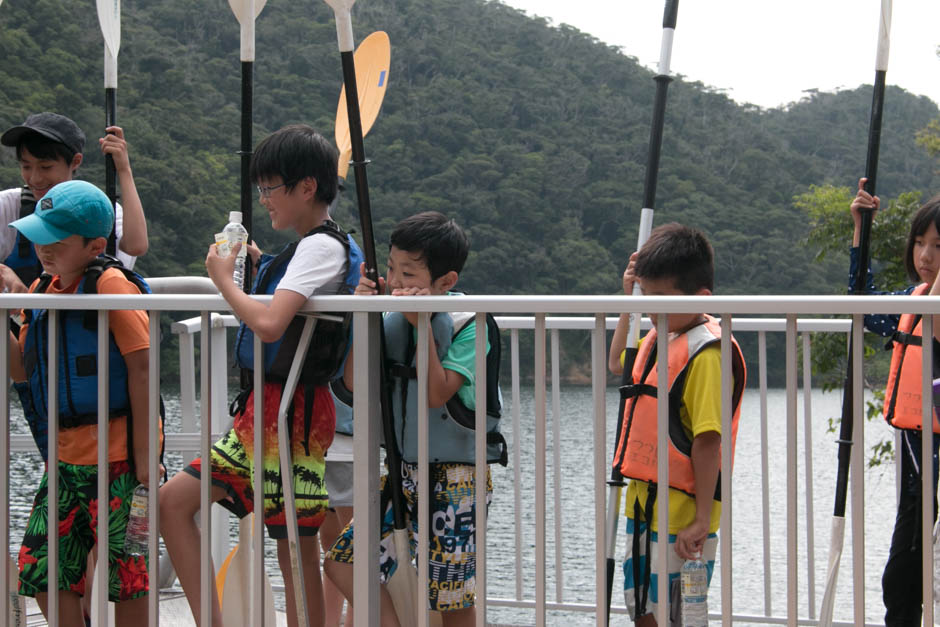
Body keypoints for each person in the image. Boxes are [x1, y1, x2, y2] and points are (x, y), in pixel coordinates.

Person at [159, 124, 353, 627]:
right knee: (175, 503)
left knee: (294, 546)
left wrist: (222, 280)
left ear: (306, 187)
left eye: (269, 188)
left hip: (292, 416)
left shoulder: (321, 248)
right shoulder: (312, 247)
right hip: (266, 416)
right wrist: (258, 265)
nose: (263, 200)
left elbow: (269, 324)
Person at [324, 211, 506, 627]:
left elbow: (435, 393)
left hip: (457, 480)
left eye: (409, 274)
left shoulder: (470, 325)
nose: (397, 282)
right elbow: (354, 383)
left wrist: (423, 326)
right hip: (403, 474)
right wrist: (362, 314)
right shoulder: (388, 320)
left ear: (446, 283)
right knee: (343, 563)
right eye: (391, 269)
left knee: (450, 598)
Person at [7, 180, 157, 627]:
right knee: (40, 568)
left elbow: (142, 367)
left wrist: (146, 457)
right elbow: (22, 372)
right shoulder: (41, 290)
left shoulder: (111, 284)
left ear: (94, 245)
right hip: (65, 462)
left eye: (57, 240)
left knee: (127, 573)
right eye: (38, 237)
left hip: (121, 463)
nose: (43, 248)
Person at [607, 222, 746, 627]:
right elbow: (619, 362)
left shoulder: (707, 354)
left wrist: (702, 520)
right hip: (643, 502)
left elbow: (708, 441)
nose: (651, 309)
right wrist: (627, 301)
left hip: (683, 514)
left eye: (661, 298)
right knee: (644, 612)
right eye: (646, 297)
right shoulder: (658, 336)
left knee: (678, 618)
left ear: (701, 297)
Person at [848, 178, 940, 627]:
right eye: (920, 243)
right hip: (916, 473)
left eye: (939, 247)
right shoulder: (913, 301)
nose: (925, 257)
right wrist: (860, 231)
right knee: (900, 579)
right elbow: (861, 303)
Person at [0, 111, 149, 292]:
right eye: (26, 166)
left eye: (46, 167)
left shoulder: (96, 211)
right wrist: (4, 271)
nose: (35, 178)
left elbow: (136, 246)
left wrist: (123, 169)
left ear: (75, 161)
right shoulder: (9, 204)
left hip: (84, 319)